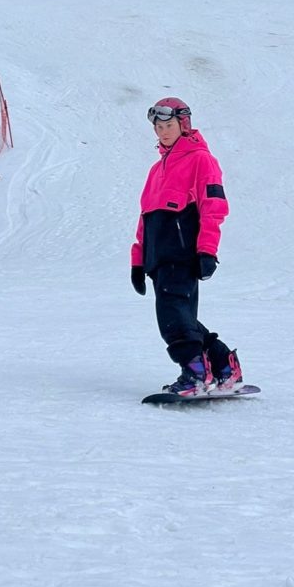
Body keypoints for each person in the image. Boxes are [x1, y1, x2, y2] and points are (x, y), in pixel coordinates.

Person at [130, 97, 243, 397]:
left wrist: (207, 250)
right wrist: (138, 261)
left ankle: (194, 372)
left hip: (182, 253)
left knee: (172, 316)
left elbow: (214, 206)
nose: (163, 132)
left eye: (169, 125)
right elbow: (146, 218)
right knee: (181, 315)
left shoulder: (201, 160)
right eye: (158, 126)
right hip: (159, 256)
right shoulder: (156, 170)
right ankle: (222, 366)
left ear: (184, 125)